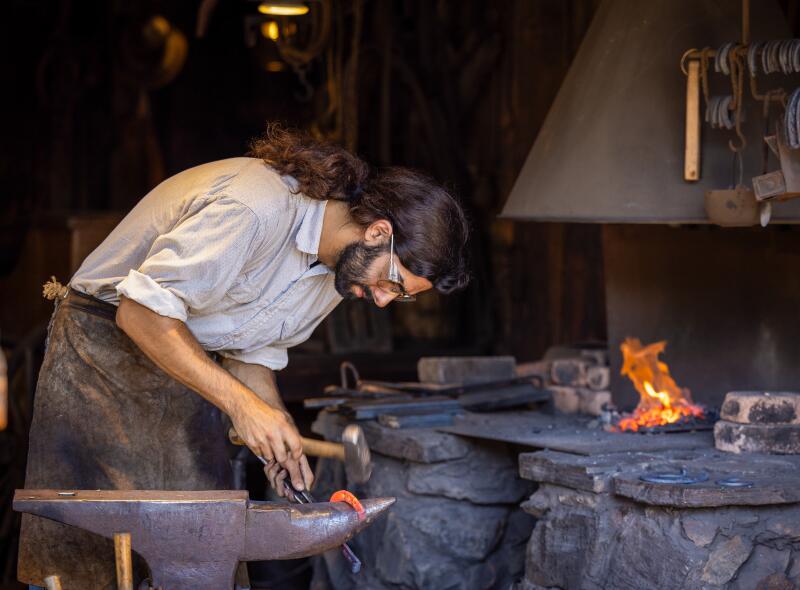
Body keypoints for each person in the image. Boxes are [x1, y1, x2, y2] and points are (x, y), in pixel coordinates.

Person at [18, 124, 470, 588]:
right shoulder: (254, 207)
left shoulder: (338, 274)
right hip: (101, 354)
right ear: (378, 231)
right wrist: (241, 405)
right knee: (86, 553)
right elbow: (141, 313)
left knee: (200, 544)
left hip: (182, 367)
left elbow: (251, 351)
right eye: (391, 282)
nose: (381, 300)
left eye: (400, 296)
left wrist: (274, 424)